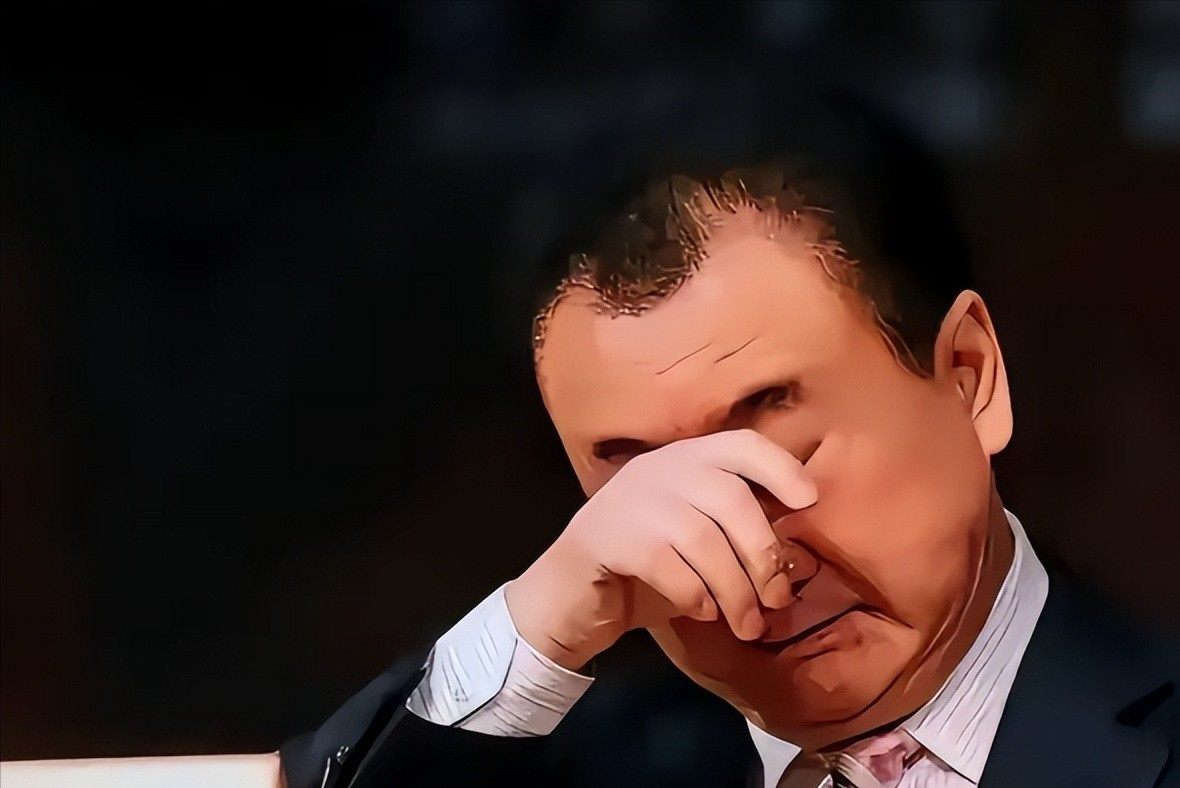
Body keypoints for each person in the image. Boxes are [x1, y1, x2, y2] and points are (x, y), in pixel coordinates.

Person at [279, 103, 1178, 788]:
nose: (744, 552)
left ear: (969, 377)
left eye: (786, 453)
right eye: (647, 487)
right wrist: (538, 620)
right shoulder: (581, 766)